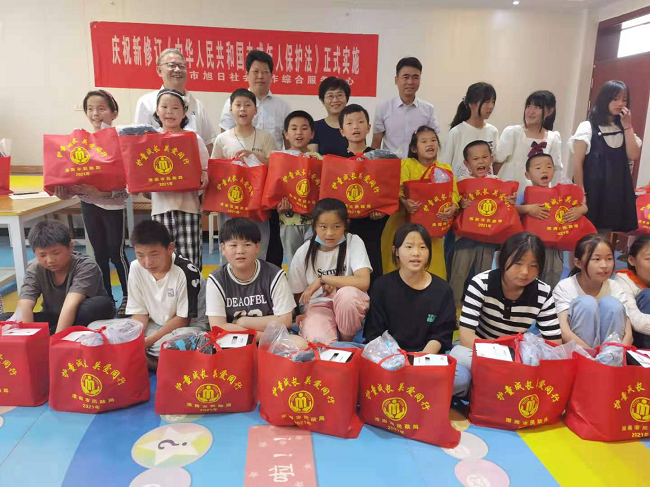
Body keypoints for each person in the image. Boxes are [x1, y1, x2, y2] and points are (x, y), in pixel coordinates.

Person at [366, 223, 470, 396]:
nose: (416, 253)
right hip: (389, 357)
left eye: (422, 247)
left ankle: (400, 387)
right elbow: (374, 333)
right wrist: (397, 361)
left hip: (425, 358)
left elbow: (442, 335)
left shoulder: (442, 289)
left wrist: (419, 359)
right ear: (396, 251)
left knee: (462, 378)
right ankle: (417, 389)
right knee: (341, 348)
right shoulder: (382, 286)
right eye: (409, 247)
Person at [449, 232, 562, 389]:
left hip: (516, 356)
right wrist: (501, 359)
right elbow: (466, 337)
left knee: (542, 364)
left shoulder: (542, 292)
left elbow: (554, 343)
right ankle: (504, 383)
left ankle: (493, 384)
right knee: (458, 356)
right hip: (479, 350)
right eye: (518, 263)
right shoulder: (481, 283)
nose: (525, 272)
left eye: (533, 265)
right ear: (502, 259)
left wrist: (518, 358)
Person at [54, 90, 130, 316]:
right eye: (90, 109)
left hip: (113, 206)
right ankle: (106, 297)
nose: (95, 113)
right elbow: (74, 176)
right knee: (99, 254)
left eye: (102, 108)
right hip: (88, 204)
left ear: (114, 113)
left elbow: (128, 184)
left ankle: (129, 296)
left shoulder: (120, 139)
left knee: (116, 253)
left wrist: (103, 192)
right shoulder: (81, 142)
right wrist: (65, 192)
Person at [2, 220, 115, 334]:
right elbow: (25, 305)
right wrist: (29, 336)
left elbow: (71, 304)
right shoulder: (35, 269)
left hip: (81, 315)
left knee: (97, 305)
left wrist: (57, 339)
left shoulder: (86, 266)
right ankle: (50, 332)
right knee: (5, 318)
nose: (50, 260)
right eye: (42, 255)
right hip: (54, 316)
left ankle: (54, 333)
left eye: (56, 253)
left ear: (70, 247)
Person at [125, 220, 208, 369]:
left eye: (154, 254)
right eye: (140, 255)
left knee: (182, 344)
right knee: (110, 333)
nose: (147, 263)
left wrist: (146, 343)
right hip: (155, 326)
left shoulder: (186, 272)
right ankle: (157, 360)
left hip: (187, 328)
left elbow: (183, 320)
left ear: (170, 248)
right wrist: (135, 339)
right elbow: (139, 313)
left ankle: (151, 361)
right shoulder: (136, 268)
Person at [288, 198, 371, 344]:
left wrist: (323, 279)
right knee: (320, 343)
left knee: (346, 296)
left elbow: (364, 281)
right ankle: (330, 341)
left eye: (336, 226)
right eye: (323, 227)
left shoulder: (354, 242)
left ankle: (346, 340)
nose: (330, 233)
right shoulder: (304, 251)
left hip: (348, 304)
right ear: (314, 226)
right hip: (318, 306)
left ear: (346, 225)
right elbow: (298, 294)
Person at [381, 126, 458, 279]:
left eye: (433, 140)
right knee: (400, 268)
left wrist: (453, 207)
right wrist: (404, 201)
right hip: (402, 225)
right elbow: (396, 188)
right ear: (414, 149)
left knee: (433, 269)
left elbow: (454, 193)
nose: (430, 144)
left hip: (432, 229)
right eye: (424, 141)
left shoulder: (445, 169)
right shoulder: (407, 164)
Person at [569, 80, 642, 234]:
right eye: (615, 98)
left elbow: (633, 154)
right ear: (604, 99)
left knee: (604, 235)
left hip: (615, 191)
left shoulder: (623, 128)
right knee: (584, 235)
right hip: (592, 191)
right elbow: (577, 163)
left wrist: (627, 125)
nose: (620, 103)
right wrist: (580, 193)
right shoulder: (587, 127)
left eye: (624, 99)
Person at [212, 88, 277, 261]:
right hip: (230, 204)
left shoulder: (265, 137)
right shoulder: (222, 139)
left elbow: (276, 167)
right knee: (230, 248)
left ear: (255, 110)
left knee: (258, 249)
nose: (242, 109)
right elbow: (214, 172)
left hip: (257, 205)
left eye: (248, 105)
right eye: (238, 105)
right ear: (231, 109)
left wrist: (256, 157)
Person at [151, 88, 209, 270]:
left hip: (188, 208)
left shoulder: (193, 138)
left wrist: (204, 176)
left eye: (175, 108)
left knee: (191, 262)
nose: (169, 112)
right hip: (161, 209)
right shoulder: (149, 139)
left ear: (184, 112)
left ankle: (193, 290)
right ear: (157, 111)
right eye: (164, 107)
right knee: (163, 261)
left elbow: (206, 169)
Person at [448, 141, 511, 307]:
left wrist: (509, 200)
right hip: (465, 237)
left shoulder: (496, 181)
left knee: (483, 273)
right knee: (459, 272)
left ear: (491, 159)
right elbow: (454, 205)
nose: (481, 161)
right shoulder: (461, 182)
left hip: (488, 238)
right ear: (467, 164)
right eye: (475, 159)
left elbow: (502, 206)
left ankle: (477, 305)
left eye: (484, 157)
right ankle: (453, 305)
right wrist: (460, 203)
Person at [206, 218, 295, 333]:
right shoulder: (216, 280)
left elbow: (285, 320)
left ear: (257, 247)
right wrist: (258, 336)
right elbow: (217, 327)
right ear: (223, 248)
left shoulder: (275, 275)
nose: (240, 251)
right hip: (233, 339)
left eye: (247, 245)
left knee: (300, 342)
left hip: (271, 337)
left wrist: (243, 322)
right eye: (233, 245)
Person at [515, 153, 587, 289]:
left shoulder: (560, 193)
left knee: (552, 278)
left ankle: (547, 299)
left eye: (549, 167)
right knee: (529, 276)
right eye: (538, 168)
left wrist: (580, 210)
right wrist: (528, 208)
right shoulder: (525, 195)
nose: (544, 170)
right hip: (531, 246)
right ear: (527, 175)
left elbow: (582, 206)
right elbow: (512, 209)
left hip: (555, 246)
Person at [338, 104, 390, 282]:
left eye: (360, 122)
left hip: (372, 224)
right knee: (344, 269)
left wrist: (382, 211)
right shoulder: (335, 160)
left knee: (372, 268)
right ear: (342, 131)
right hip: (344, 225)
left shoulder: (381, 158)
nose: (355, 127)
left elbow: (387, 190)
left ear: (368, 128)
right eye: (349, 123)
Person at [553, 234, 633, 348]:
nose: (604, 265)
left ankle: (609, 356)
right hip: (578, 351)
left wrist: (616, 352)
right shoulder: (565, 287)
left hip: (611, 353)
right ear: (578, 263)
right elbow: (563, 331)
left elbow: (628, 334)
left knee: (612, 304)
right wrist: (591, 354)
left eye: (609, 258)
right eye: (597, 259)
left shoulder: (615, 287)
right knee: (586, 303)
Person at [134, 48, 216, 154]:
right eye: (171, 65)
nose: (177, 70)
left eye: (181, 66)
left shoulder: (197, 104)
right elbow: (139, 142)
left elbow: (208, 143)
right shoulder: (146, 102)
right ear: (159, 70)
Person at [219, 50, 291, 151]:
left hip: (271, 160)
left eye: (265, 72)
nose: (260, 76)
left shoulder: (283, 107)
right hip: (240, 160)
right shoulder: (233, 103)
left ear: (271, 76)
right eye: (256, 71)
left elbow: (289, 145)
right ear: (247, 74)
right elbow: (224, 140)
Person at [494, 91, 563, 195]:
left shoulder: (553, 138)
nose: (531, 112)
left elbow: (556, 170)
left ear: (549, 111)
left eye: (537, 107)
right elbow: (497, 163)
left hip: (538, 194)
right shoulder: (513, 132)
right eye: (528, 106)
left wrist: (555, 195)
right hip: (510, 192)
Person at [371, 57, 440, 159]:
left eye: (415, 77)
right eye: (406, 77)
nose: (410, 82)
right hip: (391, 165)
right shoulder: (383, 108)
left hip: (419, 166)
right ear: (396, 80)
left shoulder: (428, 109)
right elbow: (376, 143)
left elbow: (434, 143)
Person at [276, 110, 320, 269]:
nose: (299, 132)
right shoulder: (280, 159)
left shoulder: (319, 159)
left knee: (315, 262)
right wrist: (278, 206)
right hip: (288, 221)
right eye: (294, 128)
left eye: (304, 128)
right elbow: (274, 190)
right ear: (286, 134)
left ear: (312, 133)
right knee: (294, 262)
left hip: (315, 221)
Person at [440, 82, 499, 179]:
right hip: (461, 186)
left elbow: (494, 162)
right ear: (471, 104)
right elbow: (444, 166)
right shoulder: (456, 132)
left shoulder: (493, 131)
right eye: (486, 102)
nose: (491, 106)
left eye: (493, 101)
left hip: (485, 187)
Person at [615, 235, 650, 348]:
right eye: (649, 259)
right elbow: (635, 320)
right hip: (635, 341)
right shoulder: (623, 280)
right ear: (631, 260)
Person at [308, 77, 351, 156]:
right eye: (330, 96)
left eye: (339, 95)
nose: (335, 100)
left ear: (346, 98)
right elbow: (311, 158)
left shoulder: (355, 126)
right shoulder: (315, 127)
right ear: (322, 101)